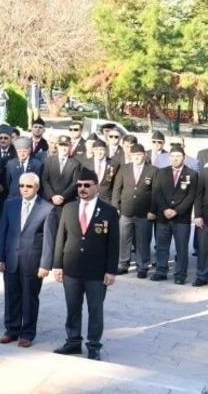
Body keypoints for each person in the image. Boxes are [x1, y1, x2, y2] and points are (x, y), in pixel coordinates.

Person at [51, 169, 120, 360]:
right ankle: (73, 342)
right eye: (79, 185)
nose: (82, 188)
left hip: (96, 270)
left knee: (95, 309)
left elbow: (114, 243)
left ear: (96, 187)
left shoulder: (109, 211)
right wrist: (57, 265)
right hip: (71, 267)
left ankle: (94, 345)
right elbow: (60, 238)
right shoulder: (69, 208)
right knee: (73, 307)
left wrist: (111, 270)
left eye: (87, 185)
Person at [0, 172, 54, 347]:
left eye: (29, 186)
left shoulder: (47, 208)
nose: (25, 189)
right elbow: (2, 230)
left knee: (29, 298)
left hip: (32, 261)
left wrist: (45, 264)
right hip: (11, 258)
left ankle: (27, 333)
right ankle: (11, 330)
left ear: (37, 188)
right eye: (22, 186)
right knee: (11, 296)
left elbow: (49, 240)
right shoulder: (10, 204)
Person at [150, 145, 198, 284]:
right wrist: (165, 209)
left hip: (181, 218)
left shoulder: (192, 174)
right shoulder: (161, 172)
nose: (175, 159)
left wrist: (176, 210)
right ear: (168, 158)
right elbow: (157, 193)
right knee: (161, 247)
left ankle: (180, 275)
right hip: (163, 217)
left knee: (181, 248)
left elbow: (191, 196)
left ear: (184, 157)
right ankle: (161, 271)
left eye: (178, 156)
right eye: (172, 156)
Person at [110, 144, 156, 278]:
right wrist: (115, 207)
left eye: (140, 154)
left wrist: (152, 210)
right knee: (123, 239)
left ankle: (142, 266)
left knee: (143, 240)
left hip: (144, 212)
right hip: (126, 211)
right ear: (130, 156)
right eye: (135, 155)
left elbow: (156, 192)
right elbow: (117, 189)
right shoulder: (124, 169)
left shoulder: (152, 170)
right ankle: (123, 264)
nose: (137, 157)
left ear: (144, 155)